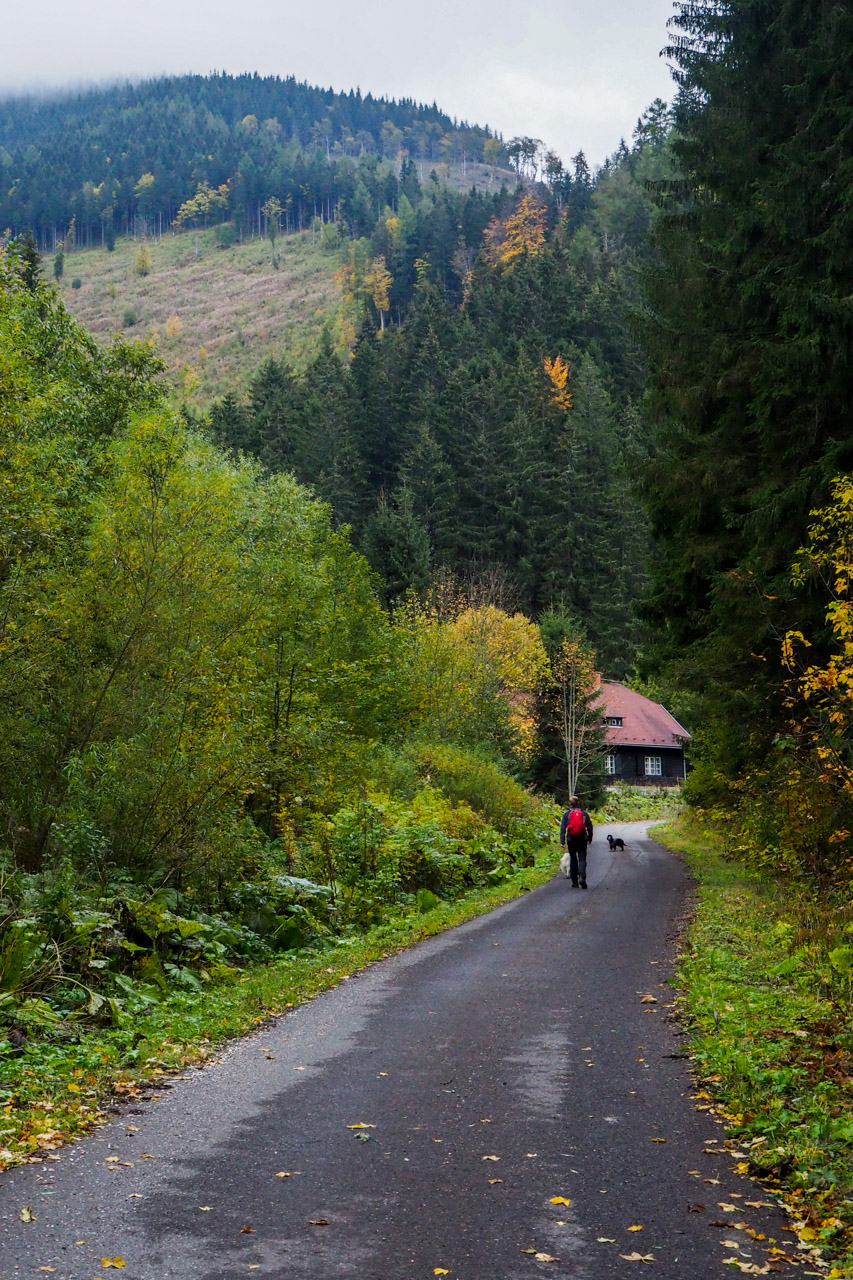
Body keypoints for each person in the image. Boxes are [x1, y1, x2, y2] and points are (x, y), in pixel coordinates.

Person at [560, 795, 594, 889]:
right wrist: (590, 838)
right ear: (578, 802)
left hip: (571, 839)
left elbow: (563, 828)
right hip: (582, 838)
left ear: (570, 804)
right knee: (582, 858)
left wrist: (562, 840)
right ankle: (582, 877)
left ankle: (574, 881)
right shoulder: (584, 814)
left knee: (573, 858)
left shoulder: (567, 814)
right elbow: (589, 827)